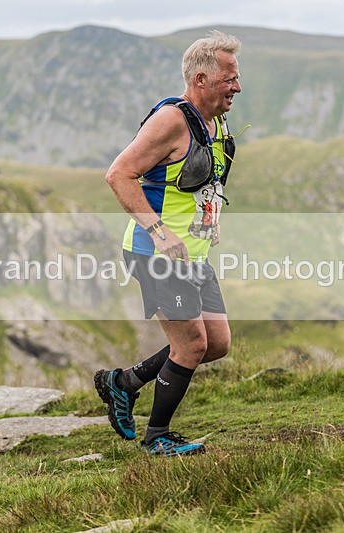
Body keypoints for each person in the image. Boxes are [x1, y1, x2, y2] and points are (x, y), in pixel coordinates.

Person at [94, 30, 242, 457]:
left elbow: (197, 182)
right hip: (154, 253)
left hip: (192, 254)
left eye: (236, 77)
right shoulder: (171, 120)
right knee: (191, 344)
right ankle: (157, 437)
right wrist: (159, 231)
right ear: (200, 79)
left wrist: (208, 221)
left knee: (216, 344)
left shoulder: (214, 120)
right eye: (228, 79)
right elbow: (118, 174)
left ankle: (122, 383)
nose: (237, 87)